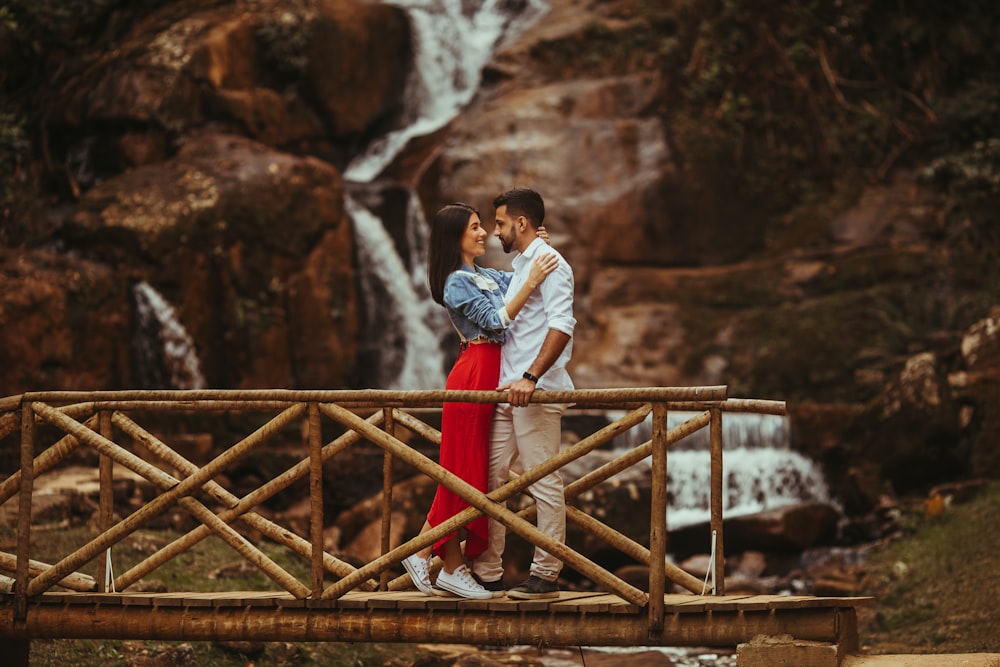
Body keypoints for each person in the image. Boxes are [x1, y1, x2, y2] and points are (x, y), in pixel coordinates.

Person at [401, 203, 558, 599]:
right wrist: (531, 275)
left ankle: (424, 554)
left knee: (469, 470)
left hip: (494, 371)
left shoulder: (482, 273)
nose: (484, 233)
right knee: (461, 470)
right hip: (474, 370)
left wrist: (532, 252)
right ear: (455, 236)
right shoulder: (456, 281)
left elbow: (520, 285)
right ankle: (449, 567)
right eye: (474, 227)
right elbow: (496, 321)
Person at [472, 187, 575, 600]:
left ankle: (547, 572)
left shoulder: (553, 264)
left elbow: (561, 325)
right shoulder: (523, 265)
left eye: (499, 223)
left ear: (520, 223)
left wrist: (531, 377)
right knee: (492, 478)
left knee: (543, 481)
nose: (495, 232)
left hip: (535, 390)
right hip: (505, 390)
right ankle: (488, 570)